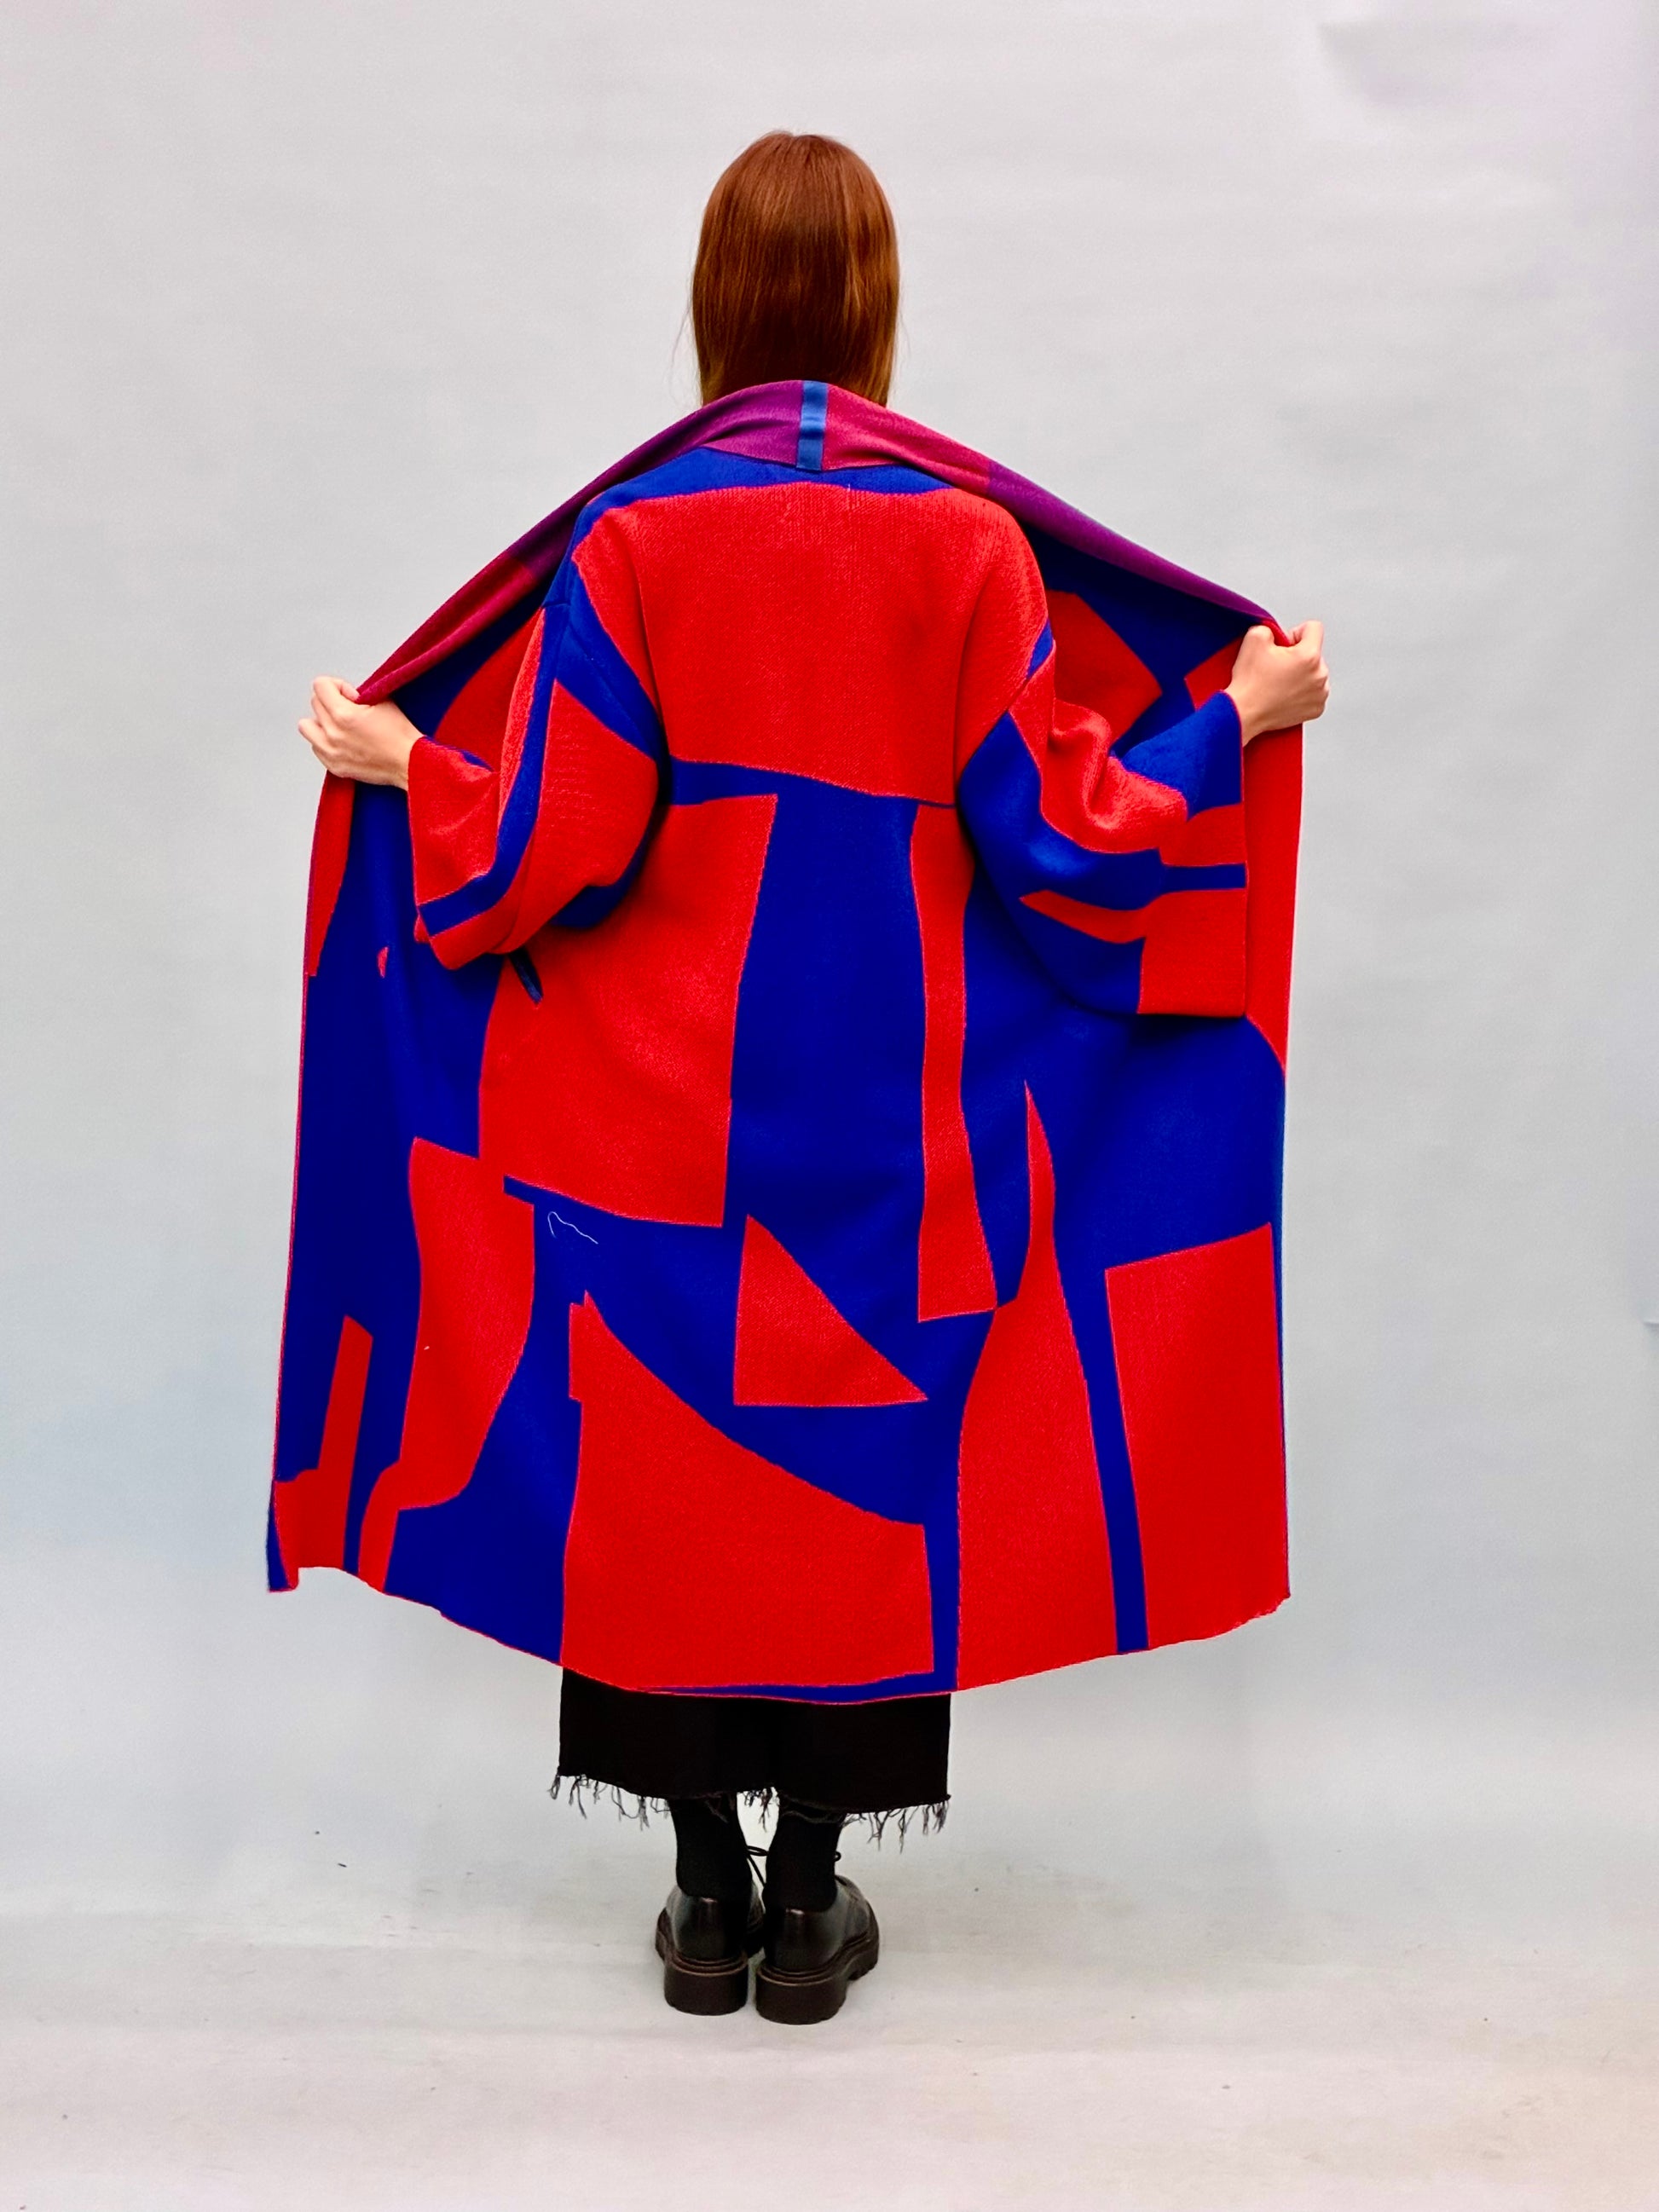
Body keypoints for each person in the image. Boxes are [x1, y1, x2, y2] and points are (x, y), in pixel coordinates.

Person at [293, 132, 1329, 2027]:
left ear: (715, 304)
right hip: (893, 1129)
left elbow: (556, 846)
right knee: (866, 1490)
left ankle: (698, 1898)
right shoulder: (964, 544)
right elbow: (1061, 843)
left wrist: (409, 767)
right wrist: (1228, 722)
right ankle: (803, 1904)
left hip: (656, 1123)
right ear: (873, 307)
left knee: (659, 1486)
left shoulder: (632, 542)